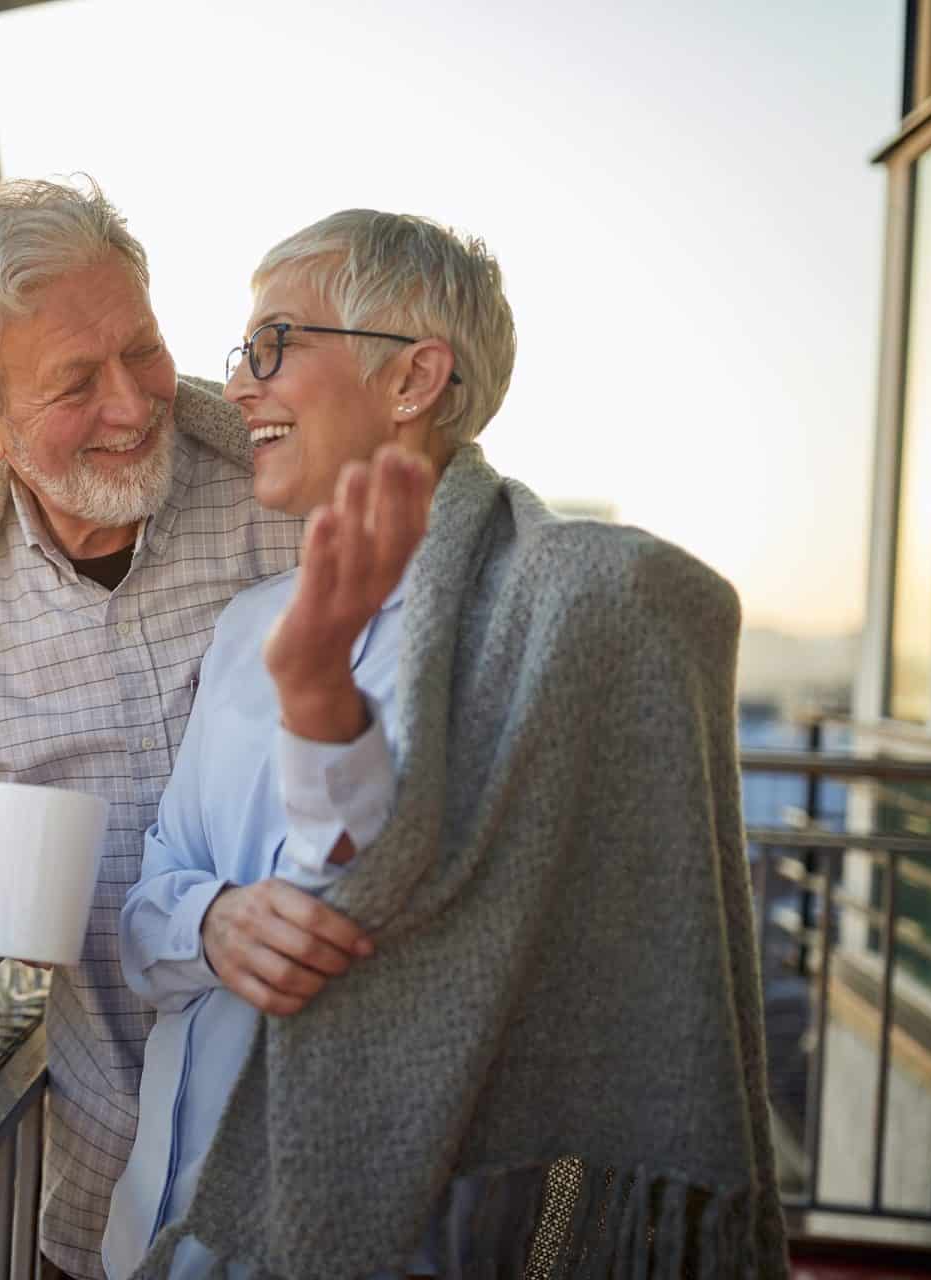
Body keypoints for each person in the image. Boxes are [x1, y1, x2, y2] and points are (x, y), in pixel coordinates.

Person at [109, 210, 789, 1279]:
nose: (238, 384)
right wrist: (212, 918)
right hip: (157, 1225)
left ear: (413, 378)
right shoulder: (247, 626)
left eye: (274, 344)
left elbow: (376, 910)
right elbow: (148, 905)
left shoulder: (554, 621)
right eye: (243, 350)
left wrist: (320, 691)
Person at [0, 177, 341, 1279]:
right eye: (76, 381)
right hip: (106, 1177)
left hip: (332, 1167)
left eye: (144, 350)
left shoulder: (290, 501)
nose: (133, 404)